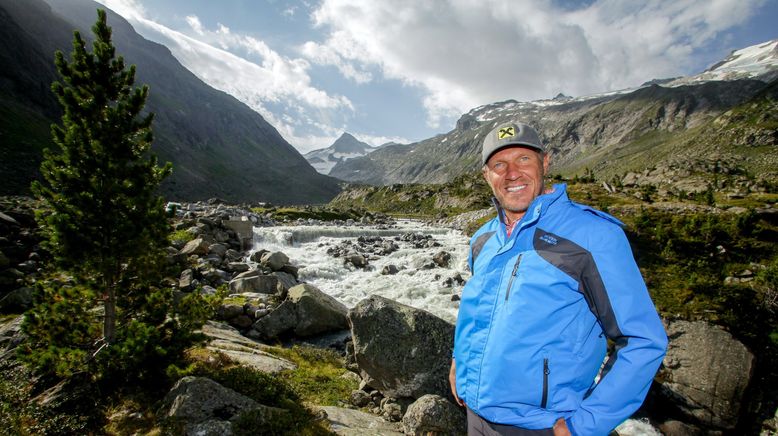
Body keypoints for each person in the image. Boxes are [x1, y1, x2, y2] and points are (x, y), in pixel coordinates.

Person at [449, 121, 667, 436]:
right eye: (499, 164)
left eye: (523, 159)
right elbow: (476, 311)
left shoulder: (594, 236)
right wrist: (459, 361)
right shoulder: (482, 240)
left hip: (542, 425)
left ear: (545, 162)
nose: (512, 173)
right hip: (476, 415)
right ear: (487, 176)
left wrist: (584, 425)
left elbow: (644, 340)